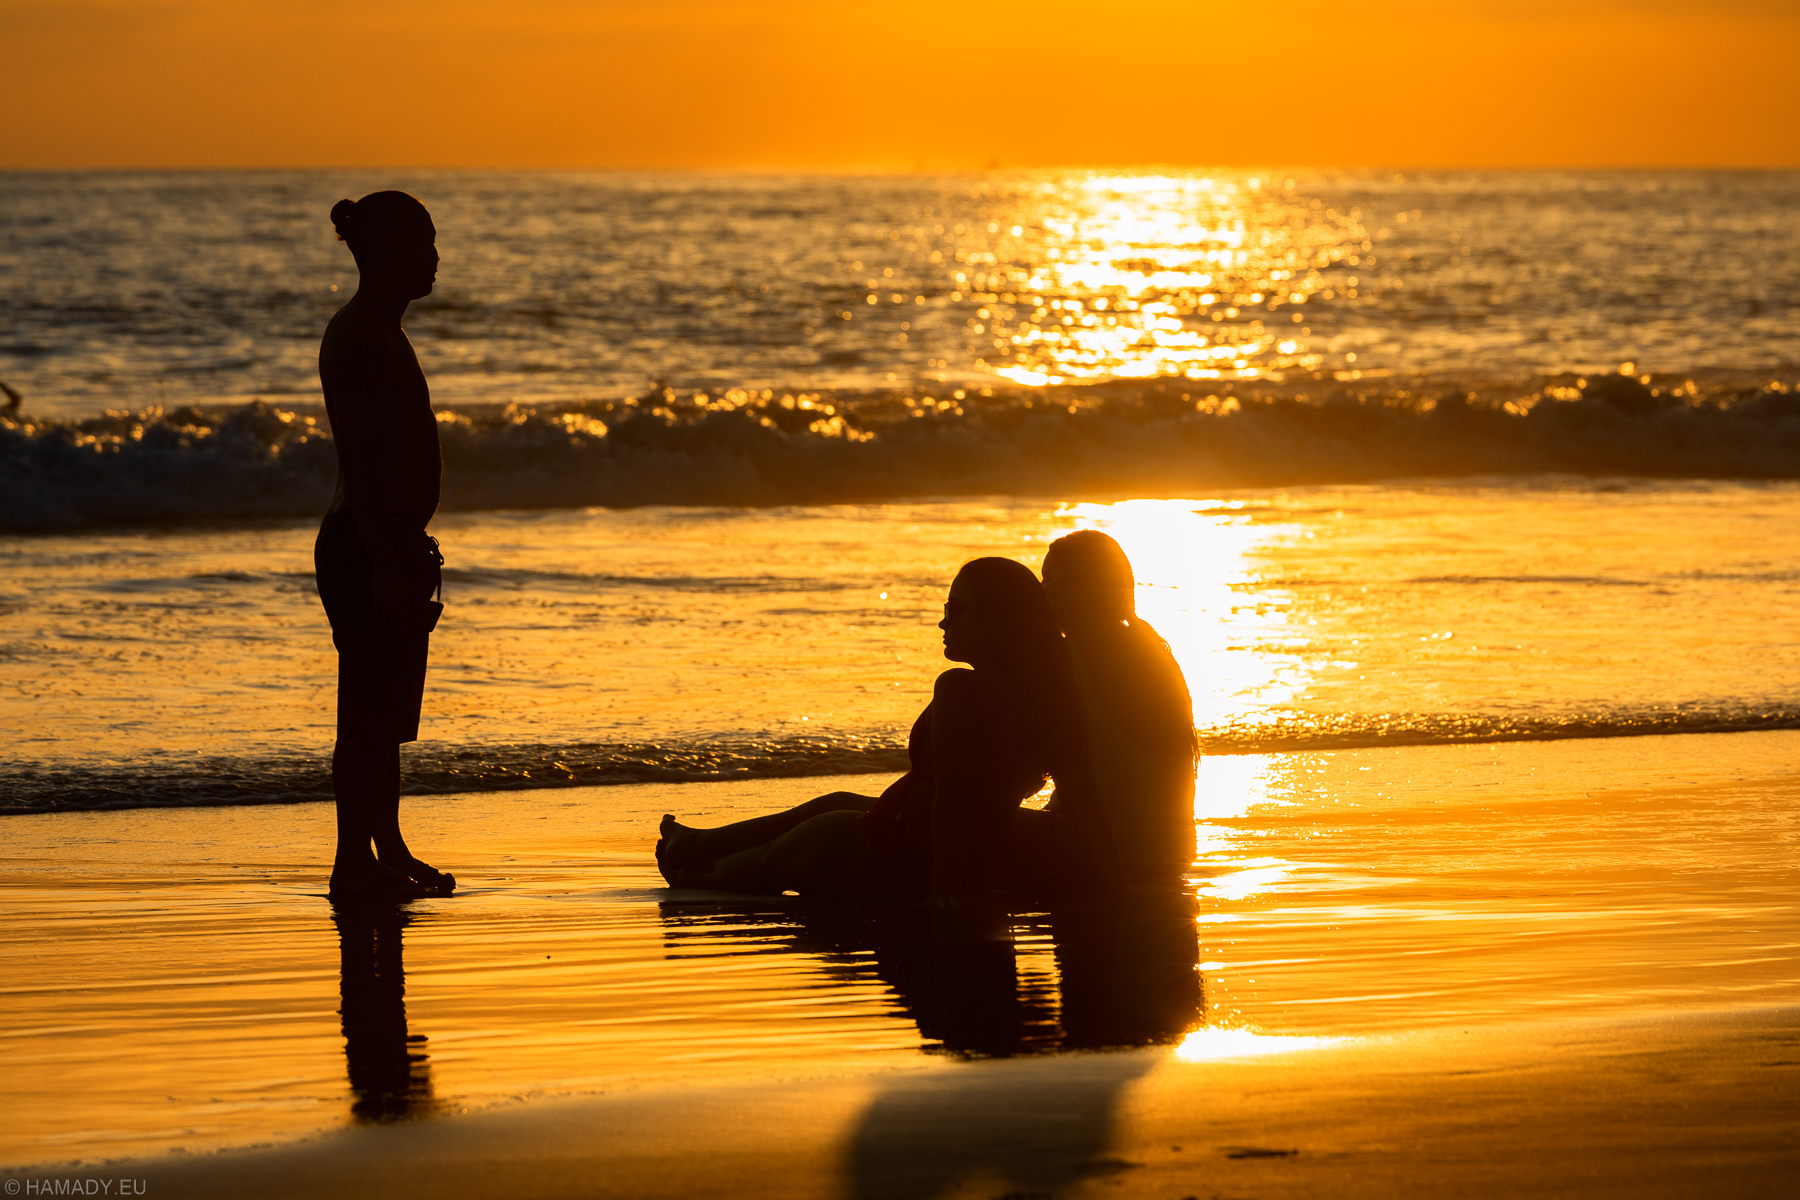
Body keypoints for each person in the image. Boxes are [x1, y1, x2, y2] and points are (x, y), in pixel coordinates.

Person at [655, 557, 1097, 902]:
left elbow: (956, 802)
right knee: (835, 801)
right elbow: (1082, 794)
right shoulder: (1048, 693)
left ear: (997, 625)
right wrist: (1111, 877)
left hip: (884, 849)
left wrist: (945, 893)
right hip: (898, 829)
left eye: (955, 610)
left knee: (731, 874)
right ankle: (695, 842)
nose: (943, 622)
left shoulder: (962, 689)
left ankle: (688, 860)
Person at [315, 191, 454, 899]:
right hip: (364, 547)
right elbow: (363, 464)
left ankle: (388, 849)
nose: (433, 258)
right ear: (385, 254)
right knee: (364, 715)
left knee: (389, 717)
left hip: (390, 547)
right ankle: (350, 863)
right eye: (421, 245)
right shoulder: (362, 337)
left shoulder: (381, 330)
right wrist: (384, 568)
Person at [1038, 530, 1197, 885]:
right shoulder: (1152, 650)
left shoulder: (1069, 659)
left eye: (1050, 581)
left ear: (1081, 592)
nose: (1040, 592)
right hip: (1170, 851)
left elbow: (1024, 772)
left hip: (1106, 854)